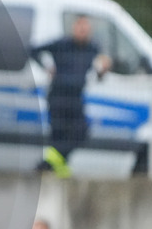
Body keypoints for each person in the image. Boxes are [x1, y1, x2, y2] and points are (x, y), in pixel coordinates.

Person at [32, 14, 112, 177]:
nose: (83, 31)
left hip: (76, 97)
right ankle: (58, 169)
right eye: (80, 27)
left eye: (86, 28)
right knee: (58, 134)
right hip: (58, 97)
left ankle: (48, 163)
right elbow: (33, 50)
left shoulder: (92, 48)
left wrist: (103, 70)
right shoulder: (61, 44)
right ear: (74, 28)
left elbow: (99, 71)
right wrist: (47, 67)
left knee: (80, 132)